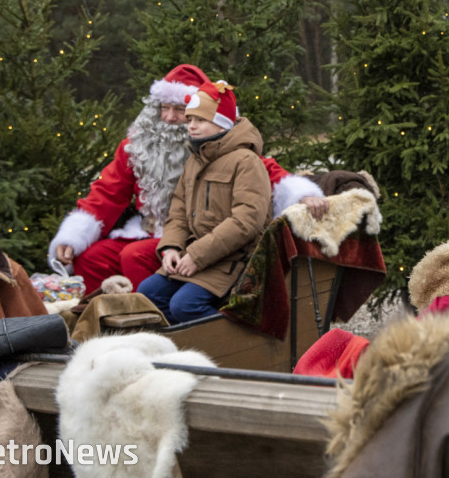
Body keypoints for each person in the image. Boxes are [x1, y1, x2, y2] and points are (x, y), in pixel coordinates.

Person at [138, 80, 326, 324]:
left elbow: (246, 221)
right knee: (147, 294)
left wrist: (197, 256)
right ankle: (185, 348)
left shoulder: (245, 162)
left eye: (201, 120)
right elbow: (179, 211)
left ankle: (238, 346)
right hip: (196, 253)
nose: (192, 127)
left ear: (222, 123)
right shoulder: (196, 160)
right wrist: (171, 247)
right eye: (191, 119)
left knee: (185, 305)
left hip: (233, 260)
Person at [49, 64, 209, 294]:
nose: (170, 118)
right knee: (91, 258)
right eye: (164, 108)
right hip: (149, 230)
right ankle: (102, 320)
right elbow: (107, 193)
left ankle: (153, 321)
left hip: (191, 238)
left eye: (179, 110)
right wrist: (72, 237)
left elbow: (261, 173)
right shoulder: (137, 147)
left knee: (134, 256)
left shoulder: (212, 146)